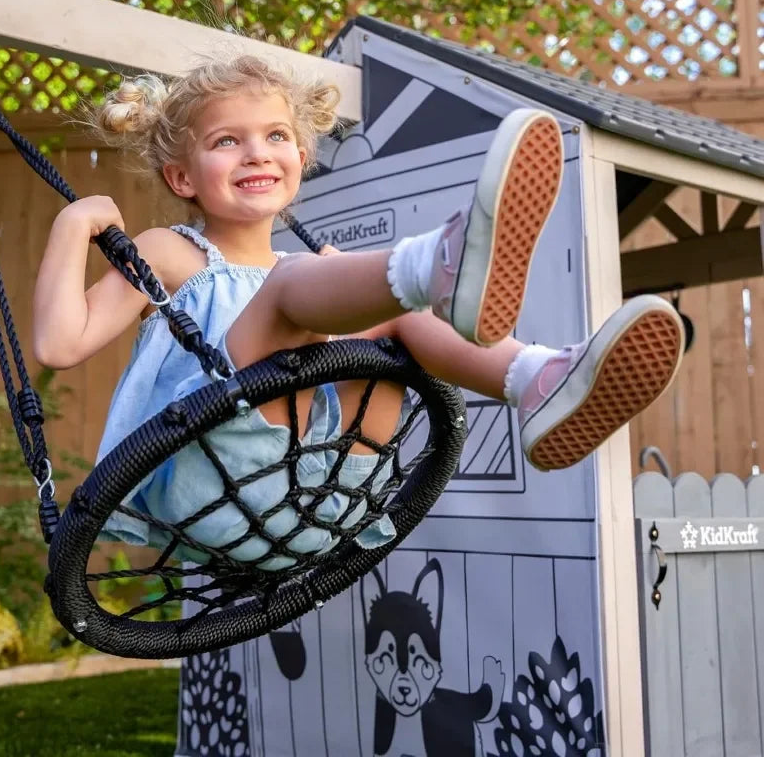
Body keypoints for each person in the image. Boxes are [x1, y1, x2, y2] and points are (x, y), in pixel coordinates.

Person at [33, 55, 683, 569]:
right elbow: (61, 345)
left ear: (301, 157)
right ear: (182, 178)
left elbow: (313, 301)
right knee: (304, 287)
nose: (257, 152)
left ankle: (537, 381)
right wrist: (73, 226)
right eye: (228, 141)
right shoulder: (171, 252)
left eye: (276, 136)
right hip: (217, 480)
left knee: (381, 313)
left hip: (331, 490)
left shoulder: (300, 273)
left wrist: (346, 298)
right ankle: (437, 265)